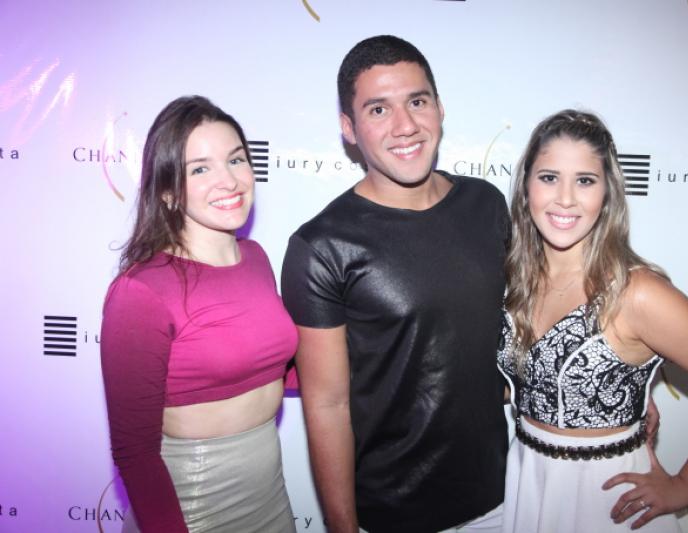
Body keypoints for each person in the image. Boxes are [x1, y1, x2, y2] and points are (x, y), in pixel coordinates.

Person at [497, 109, 688, 532]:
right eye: (549, 177)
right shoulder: (514, 282)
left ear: (607, 193)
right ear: (526, 186)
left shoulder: (635, 293)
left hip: (607, 499)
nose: (565, 198)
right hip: (528, 482)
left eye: (585, 180)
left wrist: (686, 485)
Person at [281, 35, 508, 533]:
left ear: (440, 108)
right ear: (349, 128)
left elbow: (531, 319)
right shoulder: (321, 246)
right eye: (379, 109)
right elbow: (327, 404)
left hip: (501, 500)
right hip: (390, 515)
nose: (405, 125)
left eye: (417, 102)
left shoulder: (487, 205)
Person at [100, 96, 297, 533]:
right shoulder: (142, 290)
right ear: (168, 191)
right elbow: (135, 451)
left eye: (236, 160)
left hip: (272, 500)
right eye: (200, 169)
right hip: (192, 509)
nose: (228, 180)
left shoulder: (256, 257)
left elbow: (267, 368)